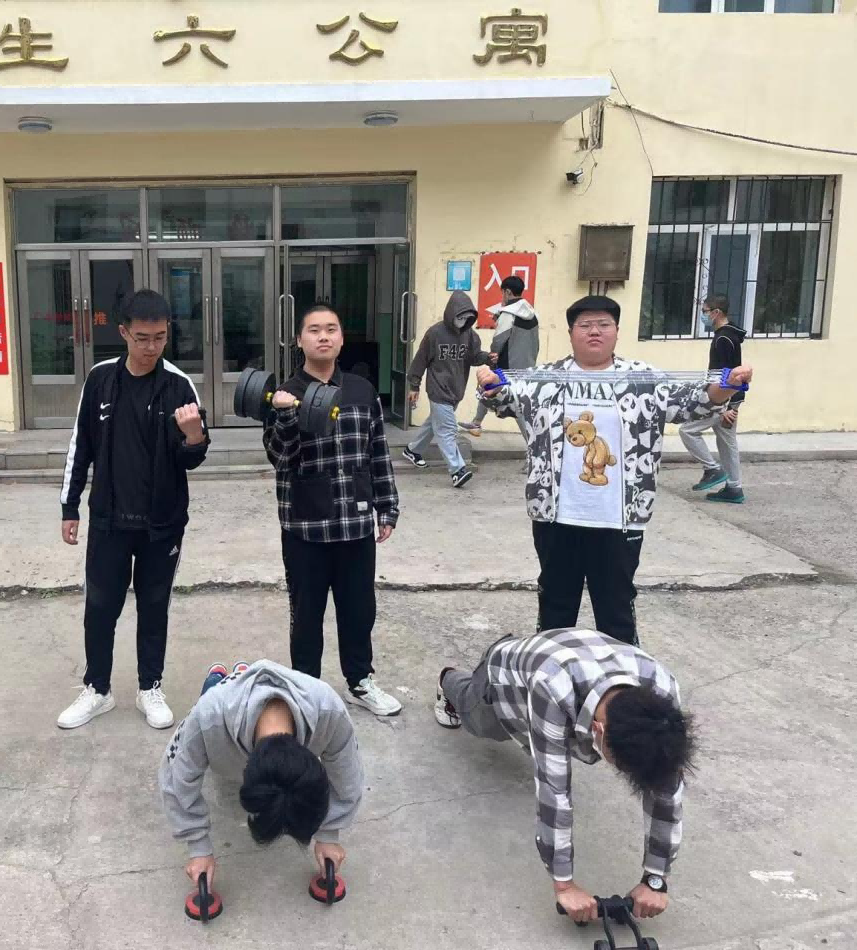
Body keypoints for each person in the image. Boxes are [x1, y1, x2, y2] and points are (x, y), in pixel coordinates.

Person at [476, 295, 752, 646]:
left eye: (603, 324)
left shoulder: (643, 379)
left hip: (620, 520)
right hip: (555, 517)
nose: (594, 331)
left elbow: (692, 402)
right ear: (571, 333)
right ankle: (551, 674)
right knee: (555, 608)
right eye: (585, 325)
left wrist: (727, 385)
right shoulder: (544, 380)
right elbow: (502, 397)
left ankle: (623, 678)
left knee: (616, 610)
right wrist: (488, 383)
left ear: (617, 331)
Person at [434, 628, 693, 924]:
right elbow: (553, 791)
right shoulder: (553, 688)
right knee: (478, 720)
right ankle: (447, 680)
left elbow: (666, 785)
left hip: (570, 658)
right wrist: (565, 886)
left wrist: (655, 878)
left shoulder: (662, 687)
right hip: (505, 678)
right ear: (598, 731)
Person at [57, 289, 209, 731]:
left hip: (162, 523)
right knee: (100, 607)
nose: (151, 347)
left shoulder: (178, 385)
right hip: (109, 519)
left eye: (160, 337)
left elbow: (191, 459)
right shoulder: (100, 379)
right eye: (142, 338)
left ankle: (150, 687)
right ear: (123, 332)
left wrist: (194, 435)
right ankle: (97, 689)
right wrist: (70, 506)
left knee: (155, 605)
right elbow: (81, 446)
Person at [263, 304, 403, 717]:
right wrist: (286, 416)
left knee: (359, 610)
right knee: (306, 615)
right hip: (304, 527)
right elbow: (280, 459)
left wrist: (387, 506)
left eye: (331, 329)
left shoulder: (361, 391)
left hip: (355, 523)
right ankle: (305, 689)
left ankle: (360, 680)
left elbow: (377, 451)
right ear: (299, 340)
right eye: (313, 330)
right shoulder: (285, 393)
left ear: (341, 338)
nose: (323, 336)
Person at [159, 659, 365, 896]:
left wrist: (329, 833)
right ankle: (217, 676)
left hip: (269, 698)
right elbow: (175, 778)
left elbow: (347, 773)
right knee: (212, 689)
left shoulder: (330, 712)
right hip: (222, 698)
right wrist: (198, 847)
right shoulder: (206, 718)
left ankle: (242, 673)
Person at [401, 291, 495, 487]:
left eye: (467, 318)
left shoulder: (470, 335)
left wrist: (487, 358)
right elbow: (420, 360)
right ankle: (457, 470)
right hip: (438, 389)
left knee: (434, 423)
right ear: (451, 313)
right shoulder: (435, 333)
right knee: (447, 429)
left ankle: (412, 450)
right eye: (460, 316)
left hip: (456, 389)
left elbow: (474, 356)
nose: (463, 321)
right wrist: (414, 385)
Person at [680, 293, 747, 504]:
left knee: (688, 430)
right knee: (727, 442)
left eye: (705, 312)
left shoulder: (724, 339)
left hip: (722, 400)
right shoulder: (727, 335)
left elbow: (730, 373)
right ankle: (734, 488)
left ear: (716, 312)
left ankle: (712, 469)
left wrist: (728, 406)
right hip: (727, 399)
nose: (703, 315)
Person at [461, 274, 540, 444]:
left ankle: (533, 447)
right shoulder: (532, 313)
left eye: (502, 292)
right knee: (488, 388)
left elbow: (499, 339)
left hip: (507, 366)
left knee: (517, 407)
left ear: (508, 292)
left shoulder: (508, 314)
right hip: (526, 366)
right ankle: (476, 422)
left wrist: (493, 355)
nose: (502, 296)